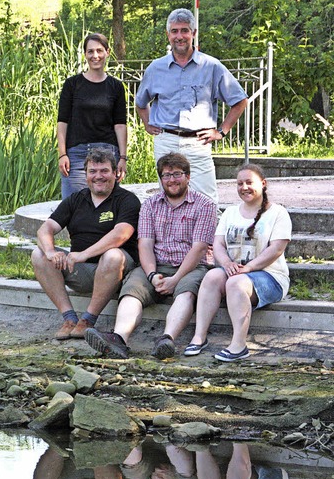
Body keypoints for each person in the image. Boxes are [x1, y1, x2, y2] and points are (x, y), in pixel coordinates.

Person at [84, 153, 217, 359]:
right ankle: (118, 339)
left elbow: (199, 248)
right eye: (166, 175)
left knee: (186, 292)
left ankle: (166, 339)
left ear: (188, 177)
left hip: (192, 266)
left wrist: (176, 279)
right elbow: (144, 244)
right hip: (155, 264)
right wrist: (152, 274)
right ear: (160, 178)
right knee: (132, 291)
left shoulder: (204, 205)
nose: (171, 180)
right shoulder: (150, 205)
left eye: (177, 174)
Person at [135, 8, 248, 205]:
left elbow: (240, 100)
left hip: (198, 143)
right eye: (175, 31)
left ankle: (208, 237)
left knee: (206, 201)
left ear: (194, 33)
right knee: (168, 199)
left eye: (185, 30)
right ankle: (170, 237)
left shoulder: (211, 66)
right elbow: (140, 103)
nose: (180, 36)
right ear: (168, 34)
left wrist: (222, 131)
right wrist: (147, 123)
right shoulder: (156, 68)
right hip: (166, 141)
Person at [185, 164, 292, 362]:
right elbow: (218, 243)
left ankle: (239, 345)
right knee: (212, 276)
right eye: (240, 183)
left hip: (270, 277)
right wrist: (225, 263)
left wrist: (249, 268)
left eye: (249, 182)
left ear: (263, 183)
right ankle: (199, 337)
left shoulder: (278, 213)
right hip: (235, 273)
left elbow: (276, 249)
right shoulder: (230, 213)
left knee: (235, 283)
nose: (244, 187)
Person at [32, 147, 140, 340]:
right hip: (80, 269)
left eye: (104, 171)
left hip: (117, 272)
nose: (98, 176)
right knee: (38, 255)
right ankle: (70, 319)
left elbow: (121, 234)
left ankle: (88, 320)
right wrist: (50, 252)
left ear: (116, 173)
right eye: (93, 171)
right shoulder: (76, 199)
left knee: (113, 254)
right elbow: (45, 229)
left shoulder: (127, 200)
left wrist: (85, 254)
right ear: (86, 174)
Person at [57, 32, 128, 199]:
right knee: (73, 205)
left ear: (107, 52)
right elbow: (62, 122)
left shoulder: (116, 87)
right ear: (85, 54)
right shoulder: (72, 84)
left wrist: (123, 158)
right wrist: (62, 154)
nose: (95, 56)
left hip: (108, 154)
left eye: (99, 51)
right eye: (90, 51)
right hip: (76, 155)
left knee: (105, 208)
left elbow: (120, 124)